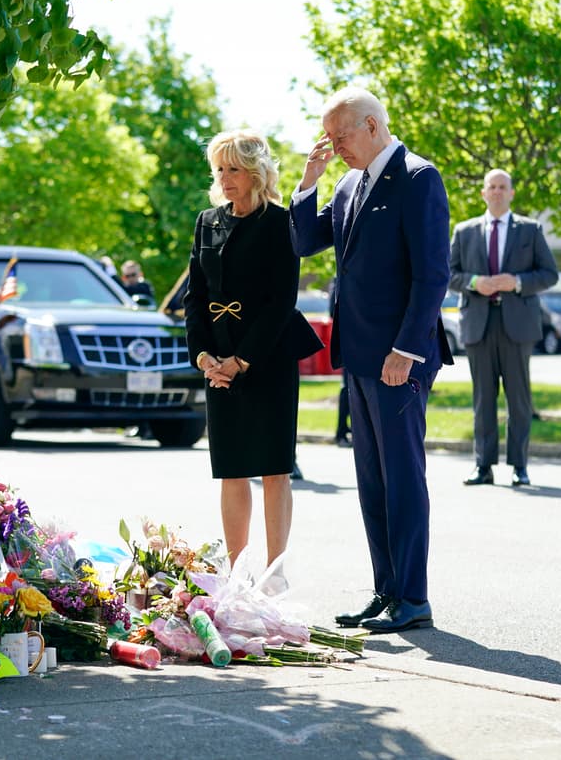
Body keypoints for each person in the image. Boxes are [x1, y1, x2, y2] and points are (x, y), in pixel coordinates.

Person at [290, 87, 451, 634]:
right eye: (329, 140)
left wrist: (406, 349)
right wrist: (308, 183)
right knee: (373, 481)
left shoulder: (418, 177)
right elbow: (304, 240)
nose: (334, 147)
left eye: (340, 137)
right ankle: (386, 591)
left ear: (373, 126)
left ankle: (414, 598)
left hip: (399, 357)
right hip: (359, 357)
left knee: (403, 478)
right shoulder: (347, 181)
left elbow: (433, 275)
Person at [184, 130, 322, 573]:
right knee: (231, 468)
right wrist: (205, 357)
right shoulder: (207, 221)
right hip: (218, 363)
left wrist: (241, 361)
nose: (225, 178)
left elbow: (282, 300)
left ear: (256, 173)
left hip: (267, 359)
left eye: (234, 169)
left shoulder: (281, 222)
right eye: (220, 169)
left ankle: (274, 570)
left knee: (274, 468)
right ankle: (237, 570)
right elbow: (195, 296)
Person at [449, 169, 558, 487]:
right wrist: (474, 282)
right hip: (478, 324)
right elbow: (448, 273)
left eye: (502, 187)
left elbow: (549, 274)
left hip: (517, 325)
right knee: (483, 398)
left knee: (519, 400)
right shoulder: (464, 231)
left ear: (511, 193)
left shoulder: (530, 229)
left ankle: (519, 466)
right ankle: (483, 466)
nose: (496, 192)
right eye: (491, 187)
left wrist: (519, 282)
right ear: (483, 193)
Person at [329, 277, 352, 448]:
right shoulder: (340, 278)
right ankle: (341, 432)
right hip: (350, 343)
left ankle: (349, 430)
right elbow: (333, 311)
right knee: (347, 389)